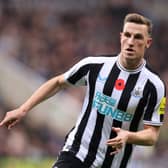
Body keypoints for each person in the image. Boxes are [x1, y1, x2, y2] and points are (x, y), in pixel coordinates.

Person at [0, 13, 166, 168]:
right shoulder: (94, 66)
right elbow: (58, 82)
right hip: (77, 153)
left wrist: (129, 136)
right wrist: (23, 109)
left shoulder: (155, 86)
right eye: (127, 35)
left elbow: (152, 135)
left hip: (114, 164)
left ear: (148, 43)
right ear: (121, 37)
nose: (130, 41)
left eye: (137, 37)